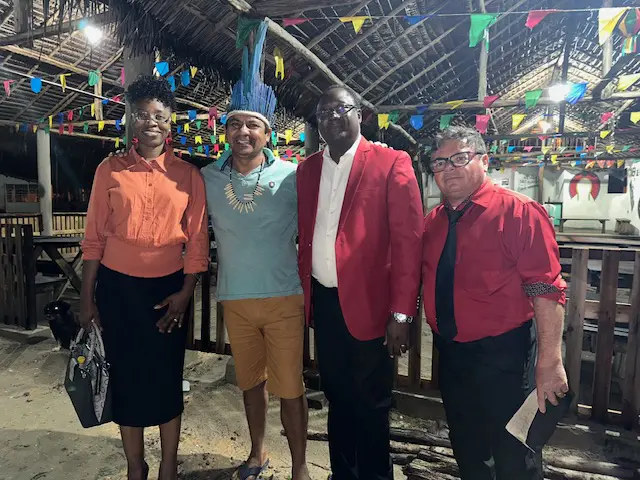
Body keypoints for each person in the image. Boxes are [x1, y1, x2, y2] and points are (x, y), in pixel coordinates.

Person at [80, 75, 209, 480]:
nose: (151, 121)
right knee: (126, 380)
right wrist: (87, 299)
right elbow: (93, 239)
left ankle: (168, 465)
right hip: (117, 289)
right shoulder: (110, 170)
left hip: (168, 292)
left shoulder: (188, 175)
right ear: (131, 120)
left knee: (167, 378)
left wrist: (186, 293)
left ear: (171, 121)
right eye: (142, 114)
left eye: (159, 114)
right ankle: (135, 466)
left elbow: (198, 240)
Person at [422, 126, 569, 480]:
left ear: (484, 161)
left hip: (506, 356)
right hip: (451, 354)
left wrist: (550, 360)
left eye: (460, 158)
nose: (449, 168)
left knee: (514, 454)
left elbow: (545, 288)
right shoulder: (433, 222)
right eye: (440, 162)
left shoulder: (519, 212)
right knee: (468, 449)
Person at [200, 20, 310, 480]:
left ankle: (300, 467)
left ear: (268, 134)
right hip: (235, 300)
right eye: (234, 124)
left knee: (291, 388)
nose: (242, 132)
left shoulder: (293, 175)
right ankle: (257, 453)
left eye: (252, 125)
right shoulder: (208, 177)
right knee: (250, 384)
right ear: (225, 130)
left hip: (283, 297)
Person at [296, 85, 423, 480]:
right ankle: (343, 474)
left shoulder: (391, 162)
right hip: (325, 303)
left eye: (340, 109)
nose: (331, 118)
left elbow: (408, 243)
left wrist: (401, 314)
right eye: (323, 113)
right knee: (337, 397)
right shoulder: (308, 169)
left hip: (372, 305)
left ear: (360, 114)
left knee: (372, 402)